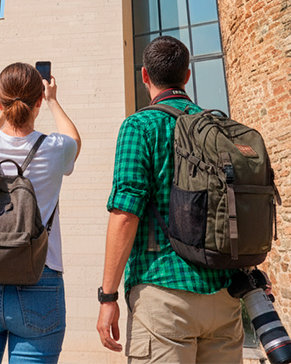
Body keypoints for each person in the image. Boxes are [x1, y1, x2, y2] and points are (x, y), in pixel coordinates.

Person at [96, 36, 243, 363]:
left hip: (164, 295)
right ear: (187, 76)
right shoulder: (219, 127)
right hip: (224, 296)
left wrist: (108, 296)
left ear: (144, 75)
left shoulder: (140, 126)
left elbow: (125, 213)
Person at [0, 62, 81, 364]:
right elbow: (75, 140)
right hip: (39, 278)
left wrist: (5, 111)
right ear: (38, 102)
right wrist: (52, 100)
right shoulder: (55, 148)